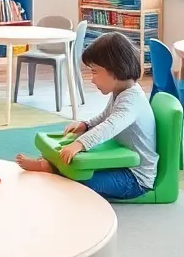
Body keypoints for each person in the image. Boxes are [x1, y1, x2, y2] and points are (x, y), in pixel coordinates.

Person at [15, 31, 158, 200]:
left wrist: (80, 143)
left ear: (114, 69)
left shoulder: (132, 101)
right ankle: (50, 165)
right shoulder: (122, 91)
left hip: (134, 178)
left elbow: (110, 126)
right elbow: (105, 116)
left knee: (79, 182)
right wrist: (86, 125)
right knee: (75, 164)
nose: (92, 79)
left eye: (95, 72)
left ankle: (51, 169)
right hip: (120, 161)